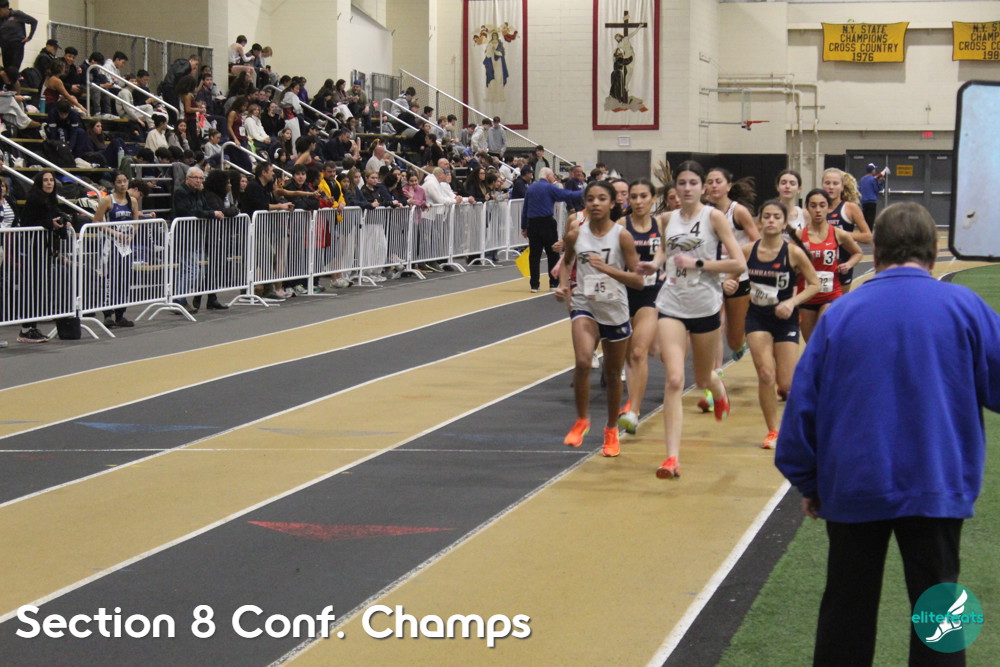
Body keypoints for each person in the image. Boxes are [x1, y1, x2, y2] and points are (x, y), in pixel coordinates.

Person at [775, 201, 1000, 667]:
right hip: (938, 482)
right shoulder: (966, 308)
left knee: (846, 610)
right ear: (932, 251)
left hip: (854, 484)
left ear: (876, 252)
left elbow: (801, 408)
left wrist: (810, 482)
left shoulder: (841, 314)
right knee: (941, 611)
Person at [636, 161, 745, 479]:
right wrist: (654, 264)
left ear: (703, 187)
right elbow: (663, 251)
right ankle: (671, 458)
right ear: (675, 188)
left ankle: (717, 390)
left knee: (702, 378)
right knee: (674, 379)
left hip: (705, 307)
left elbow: (738, 263)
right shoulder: (666, 219)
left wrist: (698, 263)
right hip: (671, 305)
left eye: (693, 183)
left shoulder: (713, 218)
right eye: (681, 183)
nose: (686, 188)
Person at [556, 180, 644, 457]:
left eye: (602, 198)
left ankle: (610, 429)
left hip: (615, 308)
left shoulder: (622, 236)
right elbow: (567, 262)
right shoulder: (575, 235)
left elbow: (638, 280)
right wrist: (563, 285)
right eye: (590, 198)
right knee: (584, 361)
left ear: (612, 203)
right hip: (585, 304)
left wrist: (607, 269)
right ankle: (582, 420)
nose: (595, 203)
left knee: (613, 375)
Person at [740, 200, 819, 449]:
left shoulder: (793, 252)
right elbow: (729, 277)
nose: (771, 221)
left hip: (785, 320)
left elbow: (815, 284)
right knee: (765, 373)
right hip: (757, 317)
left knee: (786, 383)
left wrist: (792, 302)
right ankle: (773, 431)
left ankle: (809, 418)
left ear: (784, 223)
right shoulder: (747, 250)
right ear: (759, 222)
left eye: (776, 217)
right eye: (767, 216)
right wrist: (728, 284)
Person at [617, 179, 663, 435]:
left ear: (653, 199)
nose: (638, 201)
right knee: (627, 356)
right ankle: (631, 399)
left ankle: (633, 411)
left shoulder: (662, 225)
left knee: (639, 352)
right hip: (623, 294)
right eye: (633, 196)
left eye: (643, 196)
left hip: (651, 294)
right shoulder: (621, 226)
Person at [706, 167, 759, 363]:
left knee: (734, 339)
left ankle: (740, 343)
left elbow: (757, 242)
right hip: (712, 276)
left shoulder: (738, 212)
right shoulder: (704, 212)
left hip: (737, 277)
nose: (714, 186)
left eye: (718, 181)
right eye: (710, 182)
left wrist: (735, 251)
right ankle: (715, 373)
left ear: (728, 186)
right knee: (715, 326)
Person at [798, 189, 863, 343]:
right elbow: (789, 261)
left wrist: (848, 264)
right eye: (813, 206)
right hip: (806, 297)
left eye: (822, 205)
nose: (818, 210)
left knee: (824, 335)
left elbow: (858, 253)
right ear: (807, 209)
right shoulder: (799, 236)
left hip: (831, 295)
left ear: (828, 208)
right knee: (812, 345)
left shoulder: (838, 233)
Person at [15, 171, 64, 344]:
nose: (49, 183)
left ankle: (32, 327)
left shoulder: (50, 199)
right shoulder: (35, 199)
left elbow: (54, 215)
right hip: (32, 248)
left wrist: (64, 220)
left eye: (51, 180)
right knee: (31, 288)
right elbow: (27, 222)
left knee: (39, 289)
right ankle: (25, 329)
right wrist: (49, 223)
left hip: (44, 248)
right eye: (45, 180)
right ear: (39, 183)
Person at [520, 167, 583, 293]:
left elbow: (525, 208)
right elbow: (567, 195)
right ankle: (553, 282)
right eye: (553, 176)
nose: (554, 178)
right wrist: (585, 192)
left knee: (534, 255)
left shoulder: (531, 188)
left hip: (532, 223)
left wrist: (523, 227)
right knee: (553, 252)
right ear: (548, 176)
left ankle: (534, 285)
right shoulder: (549, 188)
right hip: (547, 222)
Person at [91, 171, 140, 328]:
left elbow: (135, 222)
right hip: (110, 245)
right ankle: (107, 315)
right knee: (109, 279)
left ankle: (120, 314)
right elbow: (96, 221)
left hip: (125, 247)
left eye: (125, 181)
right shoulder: (107, 200)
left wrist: (131, 234)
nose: (123, 184)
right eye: (119, 182)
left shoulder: (132, 201)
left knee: (124, 279)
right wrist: (114, 232)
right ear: (113, 184)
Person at [822, 167, 871, 293]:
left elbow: (867, 236)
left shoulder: (850, 208)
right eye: (827, 183)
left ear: (842, 187)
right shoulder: (817, 208)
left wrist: (841, 234)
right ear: (822, 186)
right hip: (820, 265)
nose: (831, 187)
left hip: (842, 264)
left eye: (835, 183)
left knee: (839, 300)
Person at [0, 1, 37, 72]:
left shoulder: (17, 14)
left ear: (6, 8)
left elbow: (34, 21)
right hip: (5, 47)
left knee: (13, 70)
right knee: (6, 70)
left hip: (16, 46)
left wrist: (30, 37)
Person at [858, 162, 884, 232]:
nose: (875, 171)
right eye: (874, 169)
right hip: (872, 201)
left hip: (864, 201)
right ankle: (869, 233)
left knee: (865, 218)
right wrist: (881, 183)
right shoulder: (873, 179)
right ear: (872, 170)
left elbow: (859, 189)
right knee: (871, 218)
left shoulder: (862, 179)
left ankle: (864, 231)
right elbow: (877, 189)